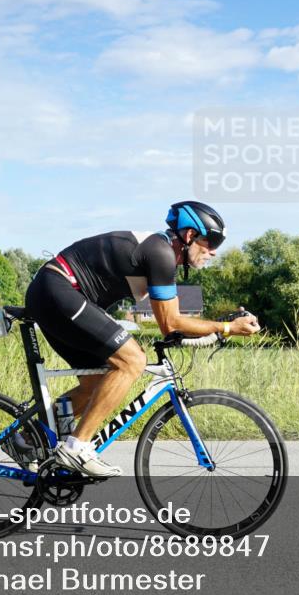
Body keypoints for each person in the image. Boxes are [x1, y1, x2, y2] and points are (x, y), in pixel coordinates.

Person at [23, 201, 260, 478]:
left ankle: (30, 438)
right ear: (188, 236)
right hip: (58, 290)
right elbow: (170, 323)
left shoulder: (160, 254)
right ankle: (76, 447)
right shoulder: (160, 253)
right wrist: (227, 327)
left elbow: (171, 324)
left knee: (98, 383)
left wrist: (218, 328)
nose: (214, 251)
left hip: (55, 295)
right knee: (132, 361)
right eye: (210, 241)